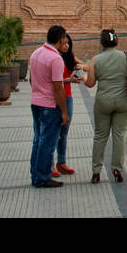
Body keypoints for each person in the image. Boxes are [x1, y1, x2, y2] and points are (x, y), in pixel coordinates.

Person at [80, 27, 127, 183]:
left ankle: (96, 171)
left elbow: (91, 84)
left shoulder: (96, 60)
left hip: (103, 102)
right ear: (116, 41)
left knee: (100, 136)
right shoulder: (126, 56)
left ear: (102, 43)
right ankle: (117, 170)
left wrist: (83, 78)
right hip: (123, 102)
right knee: (119, 136)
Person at [29, 25, 70, 188]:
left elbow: (32, 80)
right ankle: (42, 177)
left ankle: (36, 173)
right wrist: (64, 112)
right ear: (60, 41)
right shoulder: (55, 59)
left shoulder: (35, 53)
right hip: (50, 105)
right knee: (47, 143)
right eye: (65, 40)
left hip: (36, 102)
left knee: (38, 140)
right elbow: (58, 87)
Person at [54, 33, 79, 177]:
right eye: (64, 43)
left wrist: (84, 69)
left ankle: (61, 162)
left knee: (64, 131)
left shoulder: (69, 56)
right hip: (56, 97)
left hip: (68, 97)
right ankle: (50, 164)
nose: (66, 46)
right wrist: (67, 80)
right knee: (53, 131)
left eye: (68, 43)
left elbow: (86, 66)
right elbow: (53, 81)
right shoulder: (53, 58)